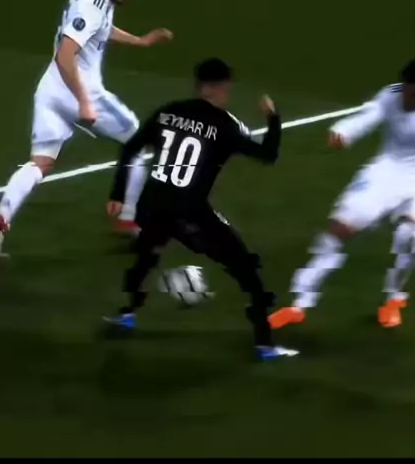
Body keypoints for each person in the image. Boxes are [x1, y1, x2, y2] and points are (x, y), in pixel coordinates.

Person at [105, 57, 298, 361]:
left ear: (198, 85)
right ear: (222, 87)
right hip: (190, 213)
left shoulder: (168, 111)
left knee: (147, 255)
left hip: (151, 205)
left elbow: (130, 148)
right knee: (246, 268)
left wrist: (118, 194)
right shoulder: (225, 124)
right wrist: (273, 118)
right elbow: (268, 154)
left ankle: (126, 314)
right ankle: (265, 345)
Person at [269, 56, 415, 331]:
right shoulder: (393, 95)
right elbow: (369, 115)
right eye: (405, 91)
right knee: (339, 229)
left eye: (414, 95)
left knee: (408, 236)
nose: (406, 99)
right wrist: (344, 132)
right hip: (386, 170)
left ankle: (394, 298)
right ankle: (300, 303)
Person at [0, 0, 173, 256]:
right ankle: (128, 218)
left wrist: (140, 41)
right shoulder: (95, 1)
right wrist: (84, 101)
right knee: (139, 140)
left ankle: (1, 219)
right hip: (80, 91)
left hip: (51, 90)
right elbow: (66, 53)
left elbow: (99, 27)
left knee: (40, 164)